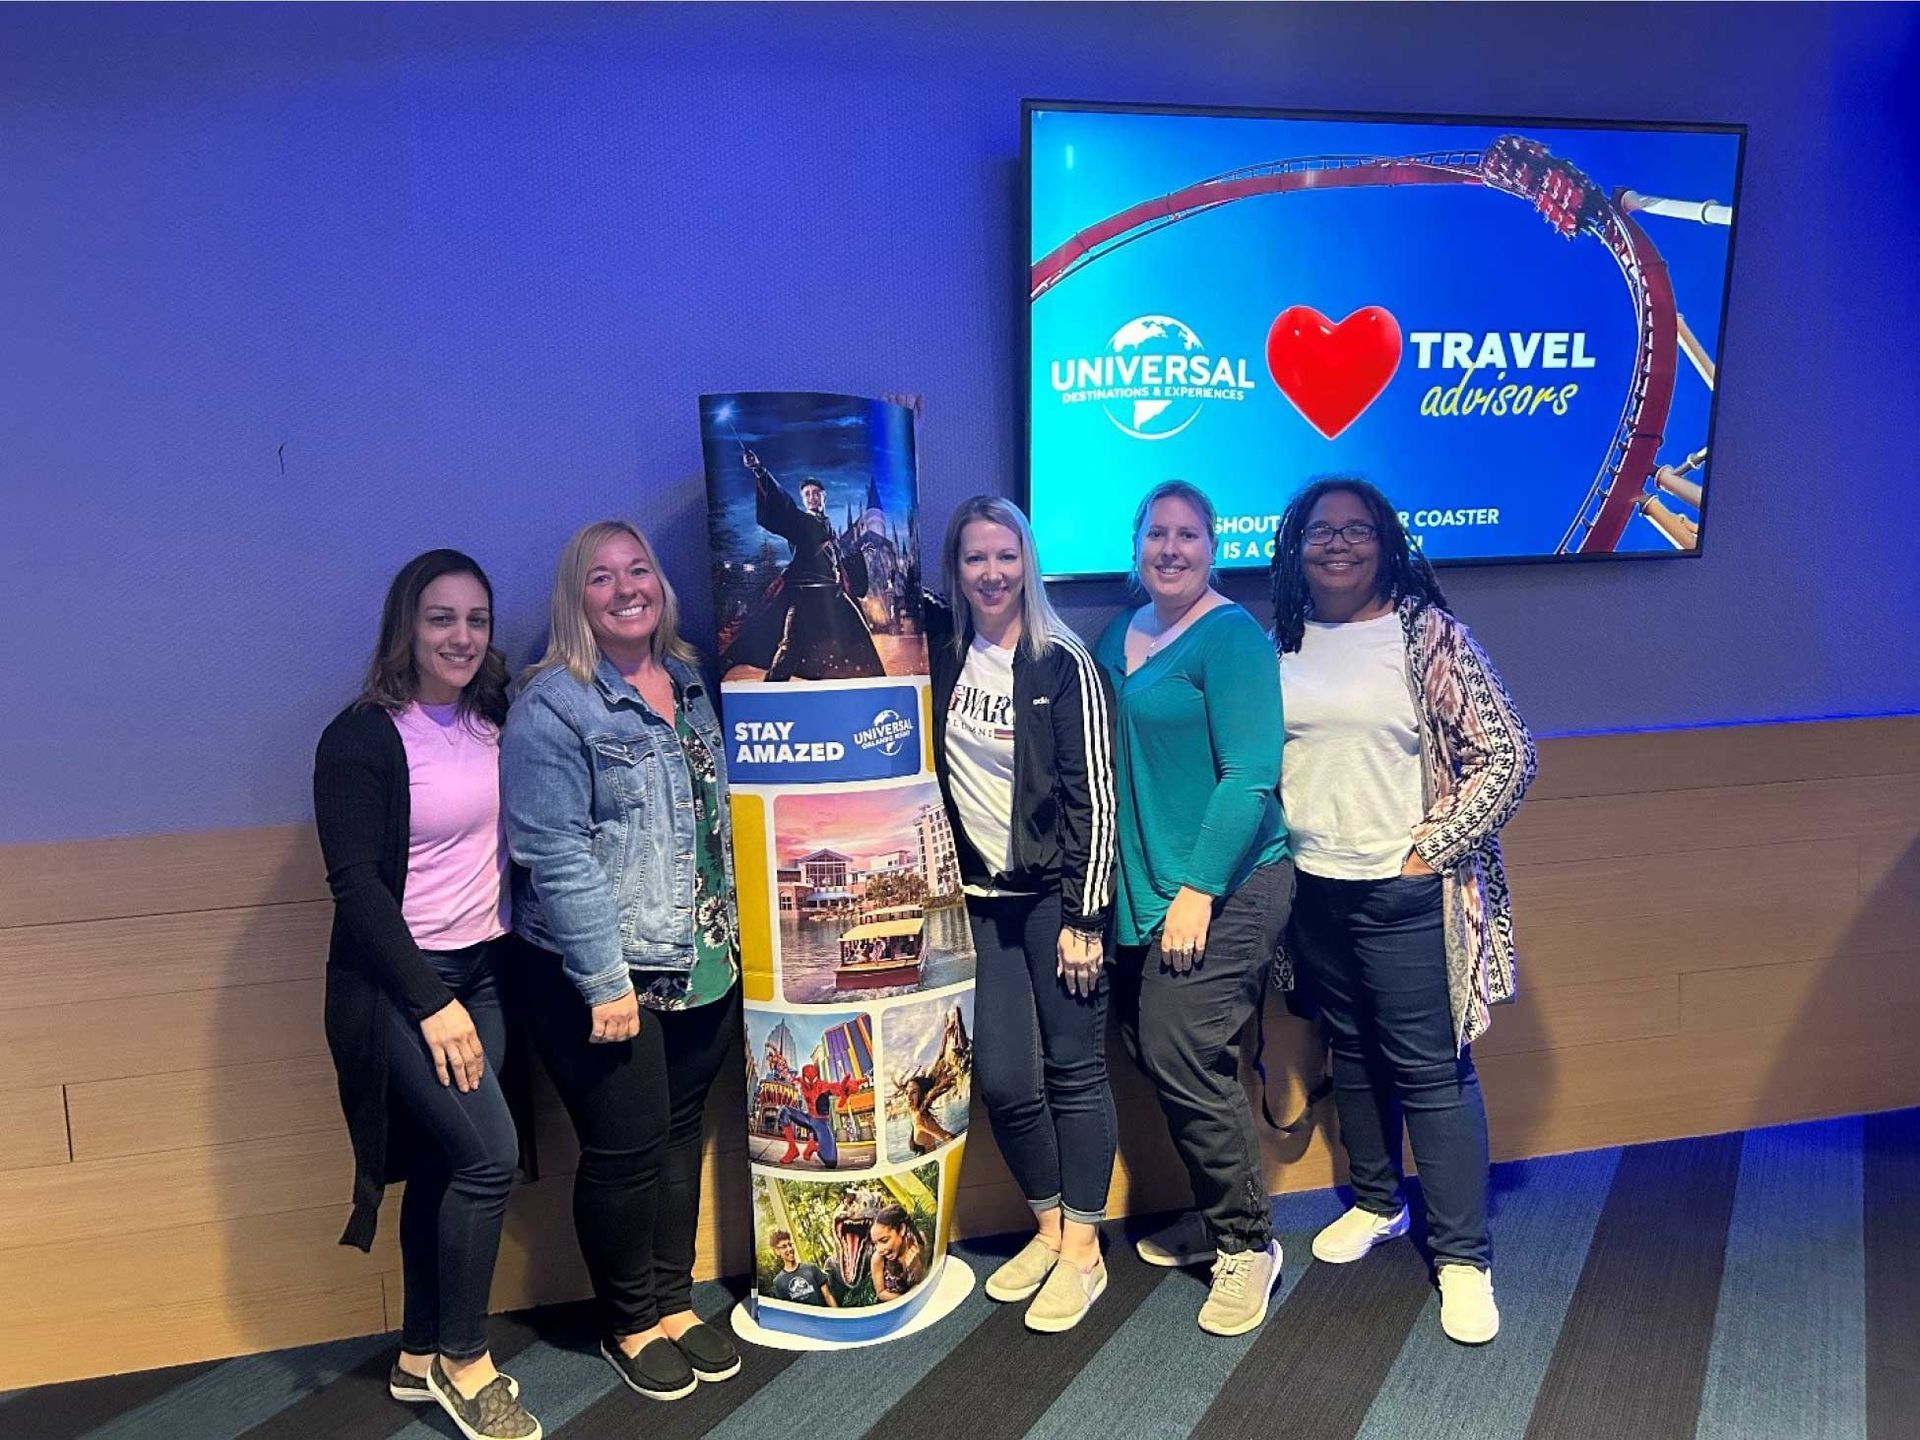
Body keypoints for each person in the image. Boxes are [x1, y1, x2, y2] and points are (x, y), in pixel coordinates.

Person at [1268, 478, 1536, 1346]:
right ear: (1293, 544)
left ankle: (1463, 1259)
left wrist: (1432, 848)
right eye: (1320, 531)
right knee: (1350, 1049)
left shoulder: (1429, 637)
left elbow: (1510, 756)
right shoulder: (1282, 637)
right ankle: (1379, 1202)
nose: (1336, 544)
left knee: (1430, 1069)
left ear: (1385, 542)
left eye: (1355, 531)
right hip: (1315, 888)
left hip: (1404, 891)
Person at [502, 520, 744, 1402]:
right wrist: (605, 982)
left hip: (702, 953)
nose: (625, 588)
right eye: (601, 578)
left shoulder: (688, 680)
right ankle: (630, 1321)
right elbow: (554, 853)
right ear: (576, 599)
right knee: (625, 1148)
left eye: (638, 570)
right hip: (602, 973)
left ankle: (676, 1302)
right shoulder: (553, 704)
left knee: (681, 1134)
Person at [313, 549, 543, 1440]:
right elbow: (357, 889)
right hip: (400, 986)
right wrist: (430, 1002)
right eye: (441, 617)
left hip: (486, 969)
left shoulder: (495, 715)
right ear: (406, 625)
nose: (461, 635)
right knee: (488, 1157)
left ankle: (416, 1355)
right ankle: (463, 1360)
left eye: (477, 619)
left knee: (453, 1164)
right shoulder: (361, 737)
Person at [1093, 481, 1293, 1338]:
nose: (1171, 549)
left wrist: (1199, 891)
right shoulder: (1116, 635)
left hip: (1228, 885)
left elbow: (1251, 775)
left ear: (1214, 546)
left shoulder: (1233, 637)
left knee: (1179, 1043)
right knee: (1150, 1042)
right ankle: (1220, 1217)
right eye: (1156, 534)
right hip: (1146, 889)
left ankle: (1248, 1243)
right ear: (1135, 542)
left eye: (1188, 535)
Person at [928, 495, 1118, 1334]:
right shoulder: (943, 650)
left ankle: (1084, 1249)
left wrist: (1085, 917)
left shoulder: (1061, 661)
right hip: (980, 905)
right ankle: (1047, 1227)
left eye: (1006, 556)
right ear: (956, 570)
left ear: (1027, 562)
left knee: (1075, 1072)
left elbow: (1097, 801)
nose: (993, 573)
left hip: (1055, 904)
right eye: (976, 558)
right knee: (1003, 1080)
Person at [718, 446, 884, 680]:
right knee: (790, 647)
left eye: (816, 493)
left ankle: (870, 687)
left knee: (858, 640)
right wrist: (759, 471)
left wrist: (857, 553)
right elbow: (783, 508)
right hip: (805, 597)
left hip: (833, 598)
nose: (812, 497)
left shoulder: (830, 530)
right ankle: (771, 692)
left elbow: (838, 561)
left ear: (824, 496)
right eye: (807, 494)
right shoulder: (801, 523)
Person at [868, 1205, 930, 1301]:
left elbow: (926, 1282)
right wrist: (906, 1300)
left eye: (884, 1241)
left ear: (901, 1229)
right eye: (875, 1243)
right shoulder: (878, 1259)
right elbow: (881, 1293)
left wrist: (916, 1266)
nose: (879, 1249)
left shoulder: (918, 1241)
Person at [767, 1231, 838, 1308]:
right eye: (784, 1246)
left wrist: (838, 1317)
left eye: (790, 1245)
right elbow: (787, 1310)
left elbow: (828, 1296)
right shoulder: (778, 1282)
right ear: (777, 1251)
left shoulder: (812, 1269)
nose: (790, 1248)